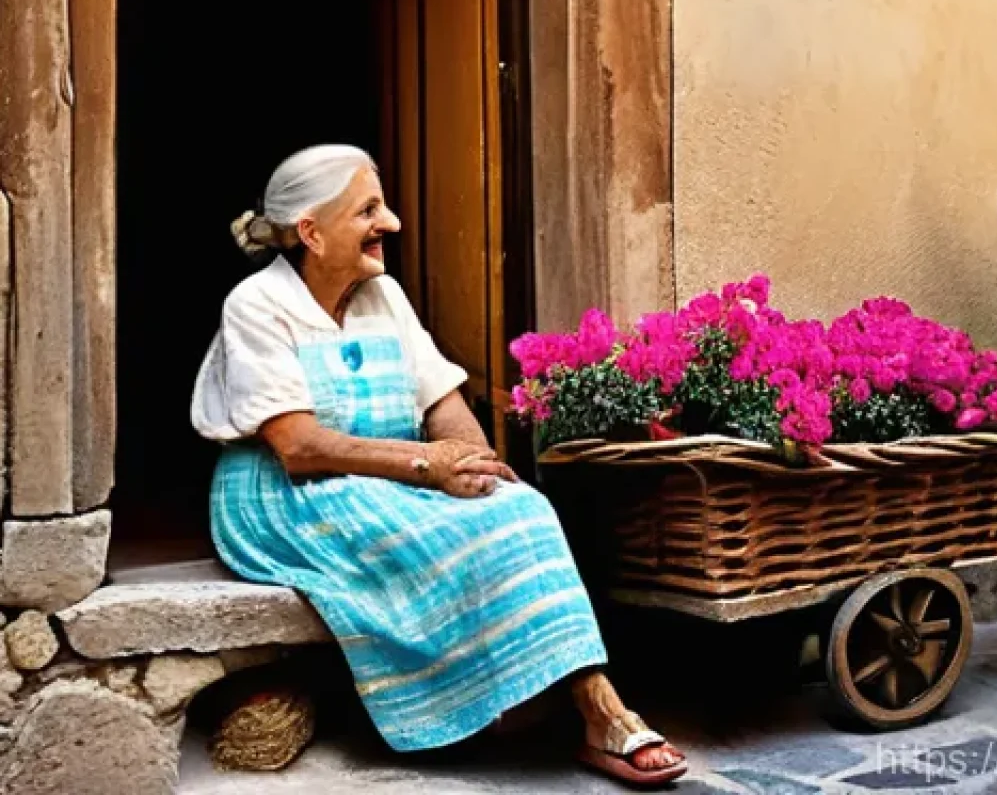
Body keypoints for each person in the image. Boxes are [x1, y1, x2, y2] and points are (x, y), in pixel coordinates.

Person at [191, 145, 687, 787]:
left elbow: (443, 407)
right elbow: (300, 446)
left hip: (389, 472)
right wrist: (429, 465)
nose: (391, 222)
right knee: (432, 533)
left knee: (520, 507)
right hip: (289, 493)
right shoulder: (257, 304)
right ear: (311, 233)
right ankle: (573, 707)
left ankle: (596, 705)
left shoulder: (383, 297)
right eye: (368, 210)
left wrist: (473, 465)